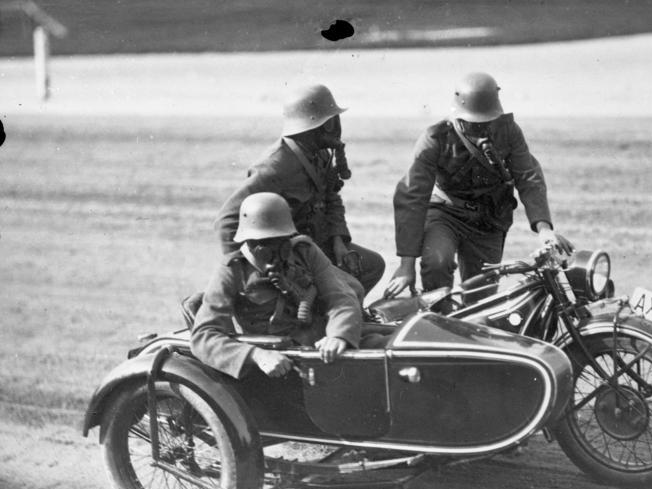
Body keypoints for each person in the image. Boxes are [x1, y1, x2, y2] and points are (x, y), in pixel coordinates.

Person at [384, 72, 571, 300]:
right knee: (437, 262)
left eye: (487, 122)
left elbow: (528, 177)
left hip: (488, 221)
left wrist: (544, 229)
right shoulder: (436, 138)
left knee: (481, 295)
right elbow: (412, 195)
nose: (480, 129)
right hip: (446, 214)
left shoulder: (509, 132)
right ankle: (438, 321)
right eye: (472, 123)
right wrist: (406, 265)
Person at [214, 84, 385, 297]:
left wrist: (338, 240)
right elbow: (227, 221)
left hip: (318, 246)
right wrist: (248, 273)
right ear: (315, 125)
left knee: (372, 265)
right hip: (289, 255)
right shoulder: (274, 167)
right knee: (352, 289)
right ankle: (323, 318)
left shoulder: (318, 154)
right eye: (330, 121)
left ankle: (331, 312)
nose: (336, 126)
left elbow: (331, 197)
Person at [191, 193, 362, 379]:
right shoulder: (232, 271)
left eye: (281, 240)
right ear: (250, 242)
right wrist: (256, 355)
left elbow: (341, 297)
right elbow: (203, 336)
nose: (278, 248)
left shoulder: (305, 252)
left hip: (320, 349)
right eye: (264, 242)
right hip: (275, 367)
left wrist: (339, 335)